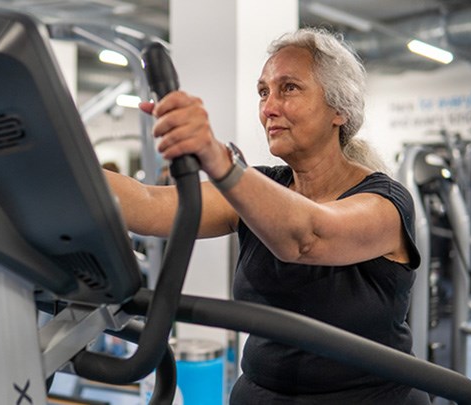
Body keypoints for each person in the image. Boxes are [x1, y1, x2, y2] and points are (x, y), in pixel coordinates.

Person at [105, 27, 429, 404]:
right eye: (263, 92)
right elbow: (147, 204)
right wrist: (51, 160)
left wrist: (216, 156)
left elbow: (308, 237)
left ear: (339, 109)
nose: (269, 107)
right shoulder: (259, 188)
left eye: (288, 88)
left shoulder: (385, 201)